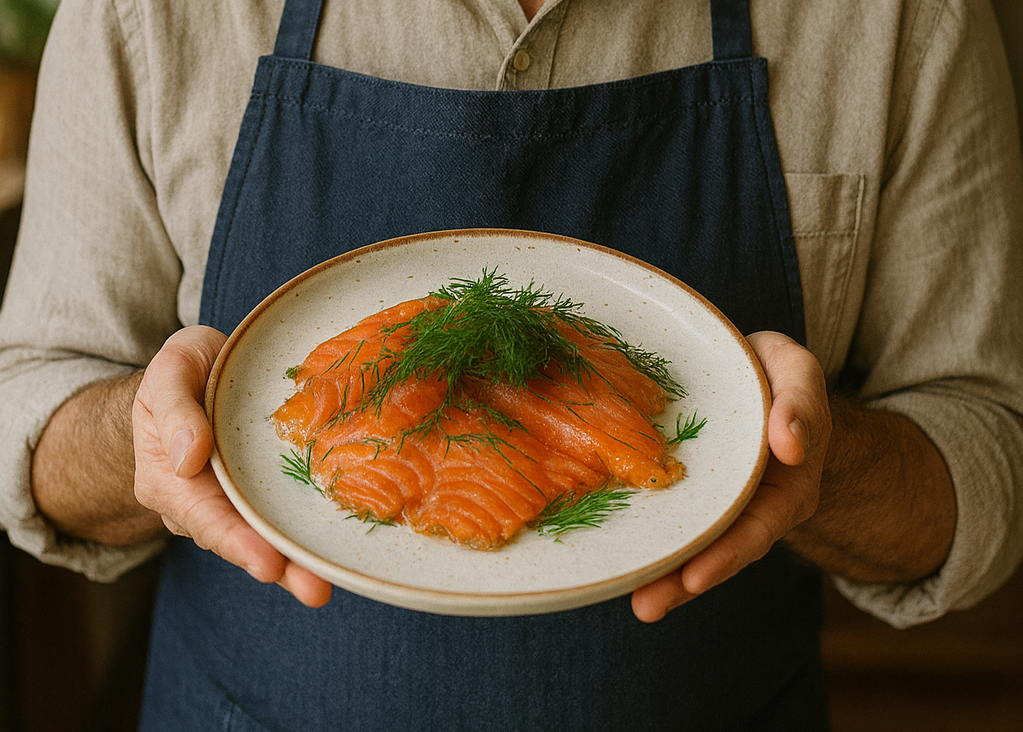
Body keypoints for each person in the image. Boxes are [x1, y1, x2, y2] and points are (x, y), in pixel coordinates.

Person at [1, 0, 1021, 728]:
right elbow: (28, 415)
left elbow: (990, 452)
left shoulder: (898, 19)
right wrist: (145, 436)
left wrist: (823, 465)